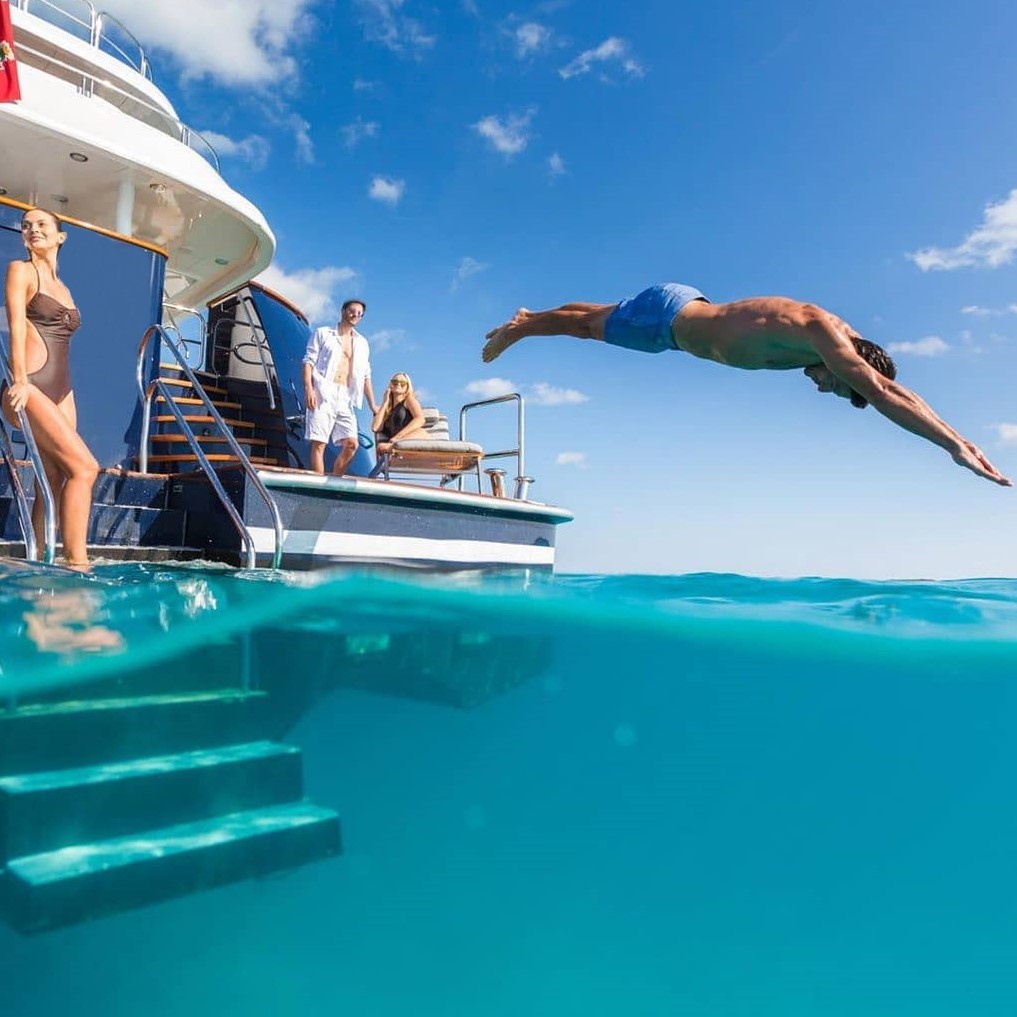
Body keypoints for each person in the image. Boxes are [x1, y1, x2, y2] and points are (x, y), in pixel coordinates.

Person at [483, 282, 1011, 486]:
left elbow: (889, 388)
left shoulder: (820, 339)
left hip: (676, 316)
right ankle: (524, 328)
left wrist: (956, 436)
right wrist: (956, 446)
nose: (826, 390)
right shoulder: (825, 335)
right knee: (586, 327)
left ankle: (528, 317)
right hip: (671, 322)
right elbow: (886, 392)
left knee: (593, 321)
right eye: (839, 386)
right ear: (849, 365)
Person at [2, 208, 100, 567]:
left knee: (56, 473)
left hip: (61, 390)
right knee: (85, 469)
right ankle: (78, 563)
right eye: (27, 226)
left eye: (42, 224)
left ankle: (41, 560)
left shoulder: (64, 288)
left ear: (61, 236)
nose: (32, 229)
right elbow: (15, 324)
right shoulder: (21, 271)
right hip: (29, 385)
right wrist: (21, 379)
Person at [302, 298, 378, 476]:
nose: (355, 315)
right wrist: (309, 388)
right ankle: (319, 486)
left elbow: (366, 376)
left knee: (352, 444)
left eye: (359, 314)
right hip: (323, 390)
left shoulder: (362, 343)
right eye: (352, 311)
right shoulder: (323, 333)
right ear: (343, 311)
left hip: (346, 396)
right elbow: (308, 362)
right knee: (319, 442)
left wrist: (373, 405)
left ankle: (335, 481)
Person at [372, 372, 427, 457]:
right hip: (399, 445)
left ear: (407, 387)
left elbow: (420, 419)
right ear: (390, 384)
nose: (398, 384)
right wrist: (385, 402)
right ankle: (395, 447)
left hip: (413, 438)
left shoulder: (408, 400)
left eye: (402, 383)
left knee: (421, 432)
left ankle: (394, 446)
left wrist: (398, 438)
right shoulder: (385, 409)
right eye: (395, 381)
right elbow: (375, 428)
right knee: (381, 447)